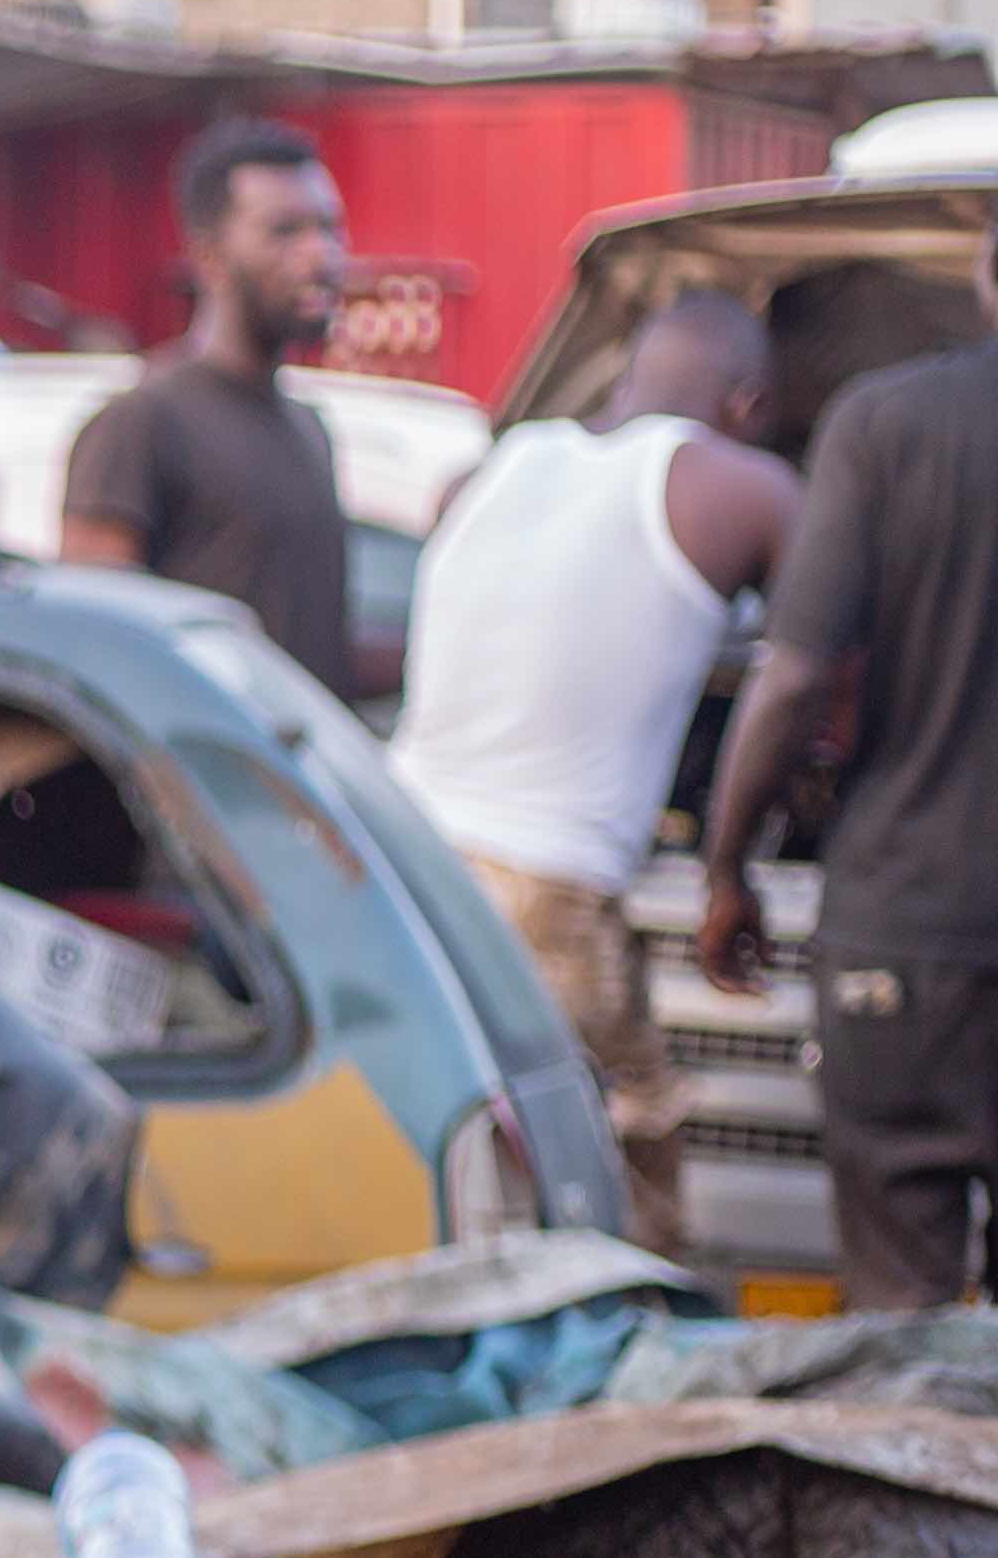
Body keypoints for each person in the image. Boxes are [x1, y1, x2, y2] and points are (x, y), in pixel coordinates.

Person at [389, 291, 795, 1246]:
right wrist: (726, 871)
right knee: (631, 1187)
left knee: (458, 1173)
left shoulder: (488, 471)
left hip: (403, 859)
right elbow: (819, 665)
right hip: (544, 889)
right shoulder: (741, 486)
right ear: (748, 405)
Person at [700, 218, 998, 1308]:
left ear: (985, 273)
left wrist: (727, 871)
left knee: (900, 1324)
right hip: (912, 928)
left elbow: (791, 681)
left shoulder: (886, 424)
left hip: (905, 933)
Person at [60, 115, 362, 699]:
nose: (321, 256)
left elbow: (322, 655)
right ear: (209, 257)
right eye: (285, 231)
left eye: (330, 227)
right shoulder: (141, 421)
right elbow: (97, 658)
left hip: (304, 780)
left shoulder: (309, 428)